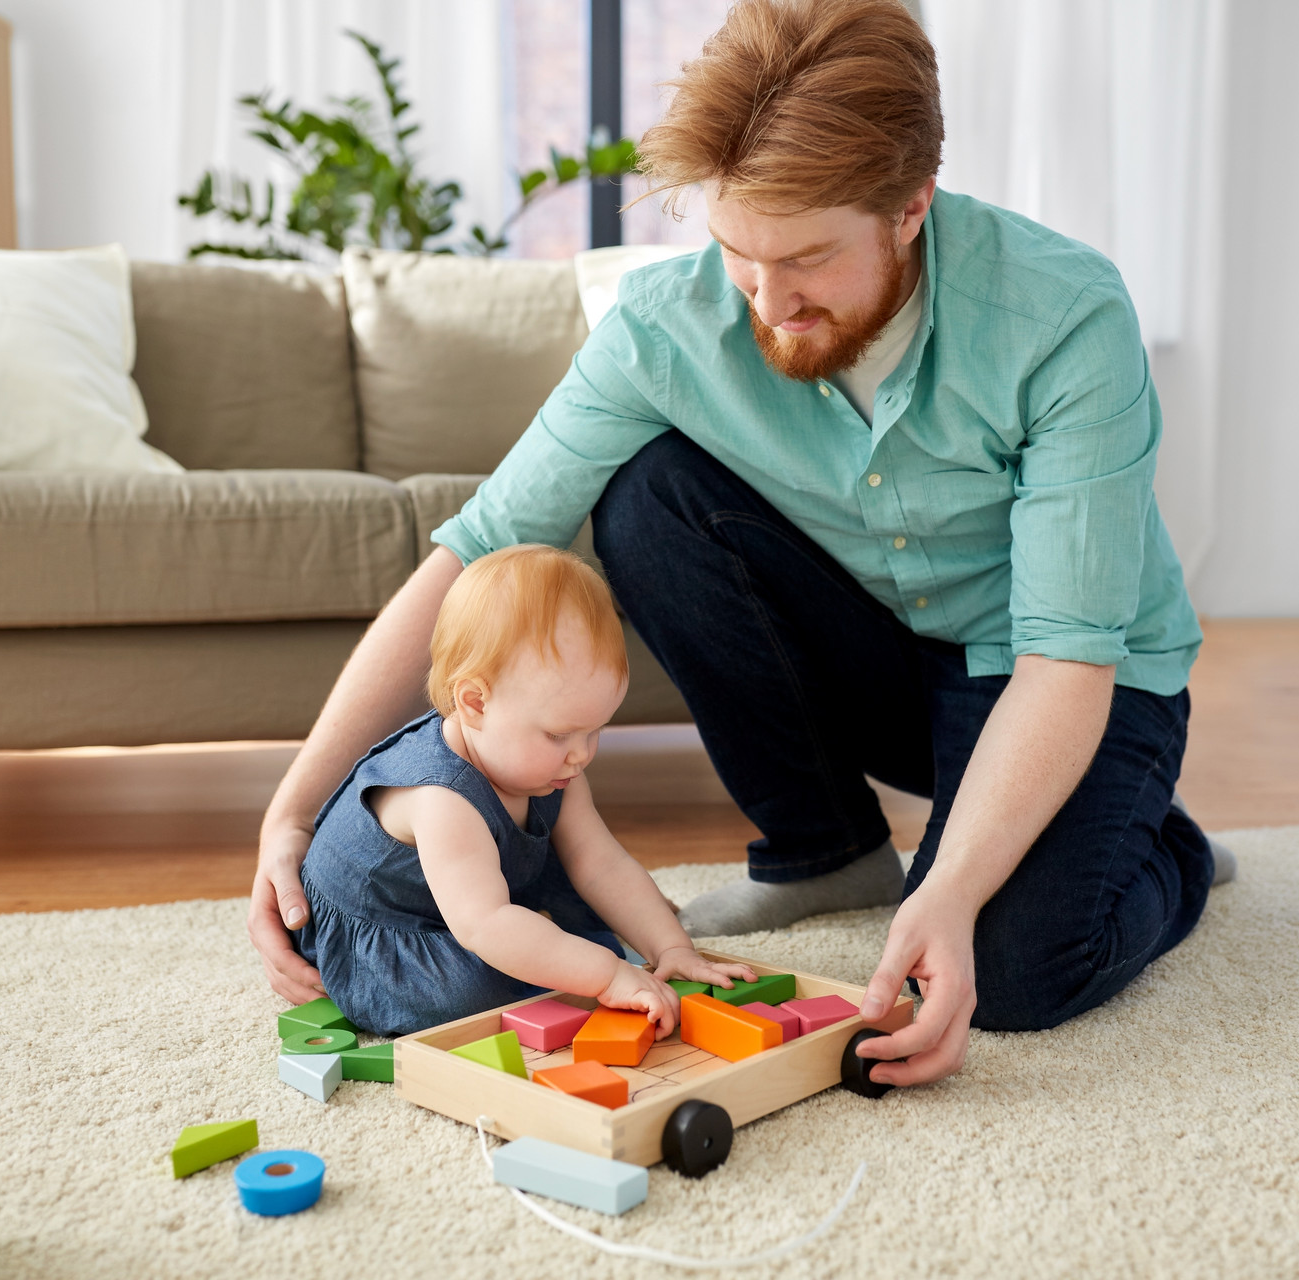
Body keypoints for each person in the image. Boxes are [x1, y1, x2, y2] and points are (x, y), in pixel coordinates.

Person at [250, 0, 1231, 1087]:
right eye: (736, 254)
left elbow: (1063, 660)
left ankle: (1162, 844)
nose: (768, 303)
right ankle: (826, 850)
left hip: (1065, 678)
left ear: (911, 208)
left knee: (1014, 972)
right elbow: (475, 556)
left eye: (808, 259)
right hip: (889, 658)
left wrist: (950, 891)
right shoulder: (665, 330)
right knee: (645, 492)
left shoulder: (1064, 316)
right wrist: (294, 807)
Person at [289, 543, 753, 1036]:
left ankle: (565, 938)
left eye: (595, 730)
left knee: (586, 910)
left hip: (474, 885)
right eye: (559, 734)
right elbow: (484, 924)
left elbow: (602, 863)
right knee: (484, 992)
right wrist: (605, 975)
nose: (582, 754)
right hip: (391, 924)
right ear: (474, 704)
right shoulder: (441, 799)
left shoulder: (556, 765)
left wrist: (672, 949)